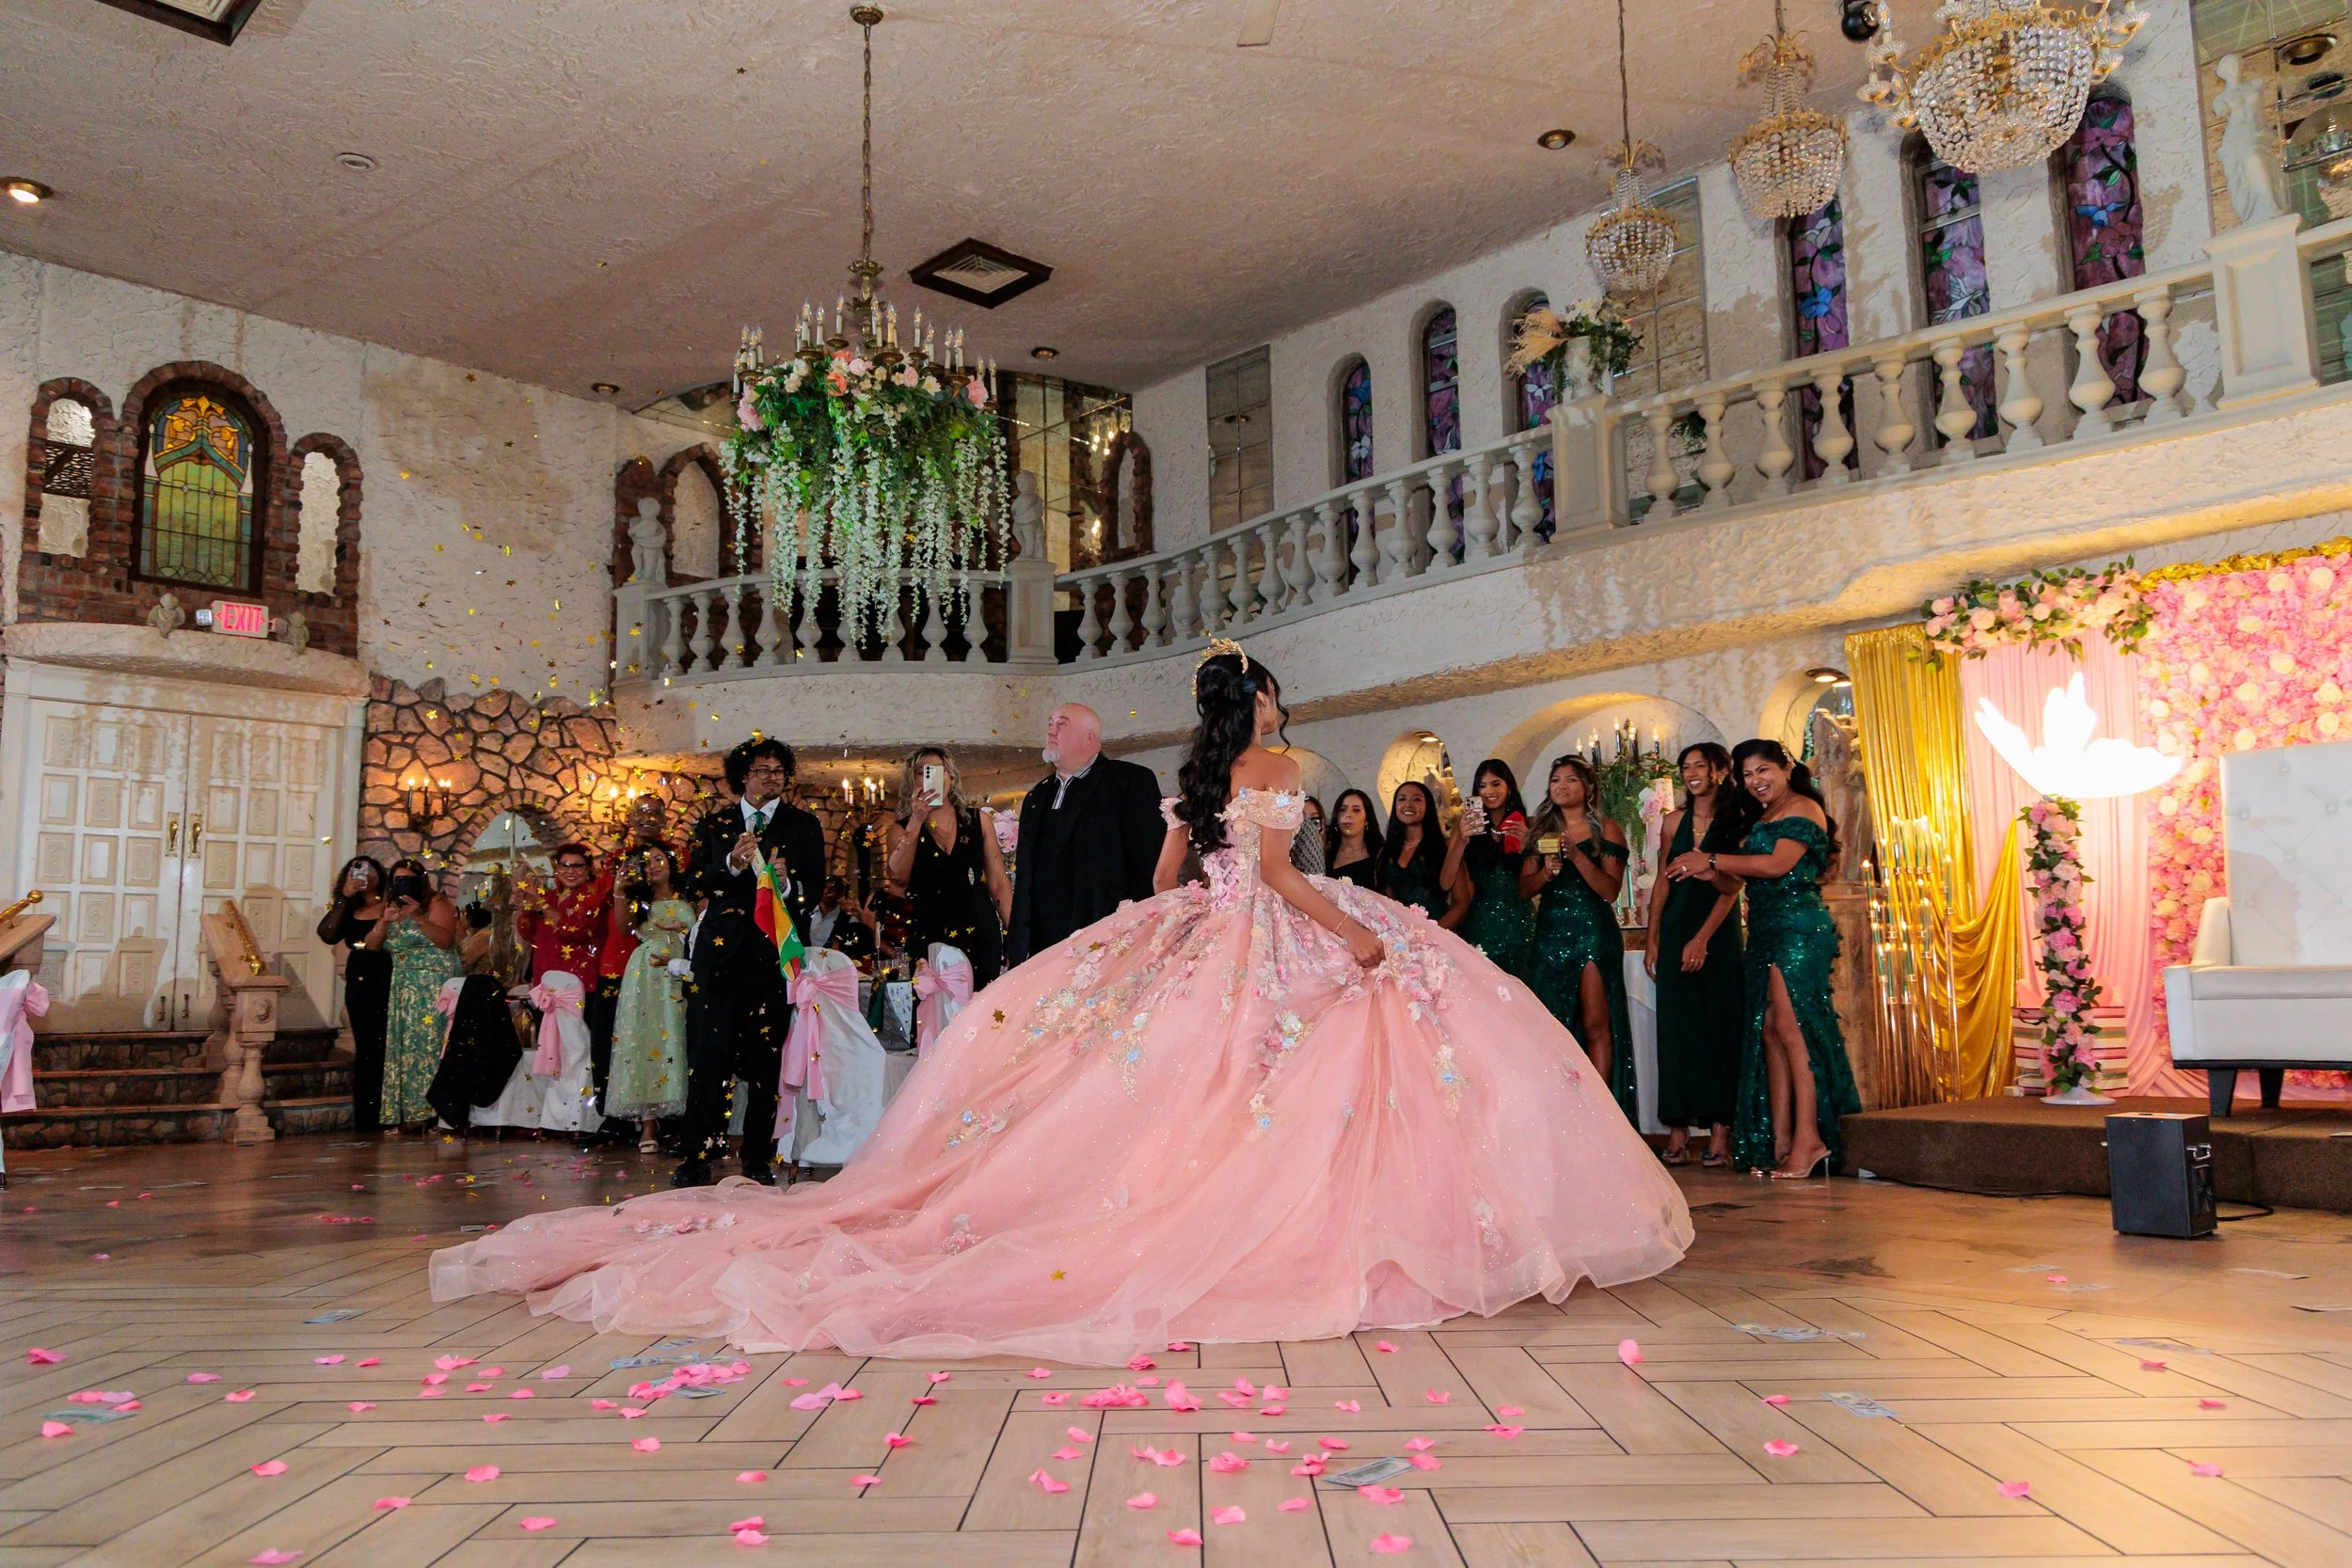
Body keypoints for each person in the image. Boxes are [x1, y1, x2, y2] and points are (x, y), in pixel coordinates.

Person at [432, 641, 1689, 1360]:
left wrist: (1209, 913)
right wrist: (1351, 938)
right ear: (1255, 705)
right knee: (1323, 1074)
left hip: (1207, 931)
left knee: (1196, 1097)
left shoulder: (1199, 774)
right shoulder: (1268, 762)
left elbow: (1170, 876)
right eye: (1270, 693)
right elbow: (1270, 871)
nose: (1276, 708)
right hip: (1278, 925)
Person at [1665, 738, 1858, 1179]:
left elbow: (1776, 865)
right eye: (1748, 775)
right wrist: (1710, 871)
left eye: (1763, 771)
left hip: (1798, 929)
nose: (1755, 782)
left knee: (1793, 1033)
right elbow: (1736, 882)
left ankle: (1810, 1140)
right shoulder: (1762, 815)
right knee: (1769, 1032)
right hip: (1766, 929)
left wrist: (1711, 856)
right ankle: (1782, 1138)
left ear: (1786, 767)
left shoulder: (1804, 807)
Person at [674, 737, 827, 1187]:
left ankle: (757, 1157)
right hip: (720, 957)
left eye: (778, 771)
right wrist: (733, 865)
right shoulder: (715, 824)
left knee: (765, 1060)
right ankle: (697, 1155)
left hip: (772, 955)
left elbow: (814, 887)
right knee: (708, 1057)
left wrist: (789, 883)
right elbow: (692, 881)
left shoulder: (803, 826)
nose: (770, 778)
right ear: (743, 776)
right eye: (761, 770)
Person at [1645, 743, 1744, 1167]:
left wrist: (1702, 939)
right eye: (1685, 768)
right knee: (1676, 1031)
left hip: (1717, 933)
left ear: (1721, 770)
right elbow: (1663, 882)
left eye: (1699, 766)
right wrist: (1653, 937)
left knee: (1719, 1027)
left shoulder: (1737, 819)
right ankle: (1679, 1130)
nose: (1691, 774)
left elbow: (1734, 885)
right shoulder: (1674, 821)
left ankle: (1721, 1130)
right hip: (1675, 927)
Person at [1004, 703, 1165, 964]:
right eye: (1050, 723)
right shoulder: (1037, 795)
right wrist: (1018, 944)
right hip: (1043, 948)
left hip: (1105, 940)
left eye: (1062, 724)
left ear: (1089, 737)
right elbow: (1025, 880)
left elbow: (1148, 864)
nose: (1051, 731)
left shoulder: (1129, 782)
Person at [1520, 755, 1635, 1116]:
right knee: (1552, 1024)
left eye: (1571, 780)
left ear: (1588, 788)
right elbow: (1523, 889)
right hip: (1550, 933)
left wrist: (1578, 857)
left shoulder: (1606, 829)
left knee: (1595, 1021)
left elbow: (1610, 891)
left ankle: (1599, 1112)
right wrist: (1548, 874)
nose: (1562, 786)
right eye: (1556, 780)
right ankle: (1561, 1111)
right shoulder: (1539, 831)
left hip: (1591, 931)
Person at [885, 747, 1011, 986]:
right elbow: (897, 877)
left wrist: (1015, 935)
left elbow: (999, 883)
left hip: (979, 929)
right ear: (912, 781)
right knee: (934, 1015)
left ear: (951, 778)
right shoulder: (901, 829)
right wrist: (916, 820)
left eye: (937, 772)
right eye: (923, 773)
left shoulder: (978, 821)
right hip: (930, 932)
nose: (930, 778)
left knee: (983, 1013)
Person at [605, 846, 693, 1153]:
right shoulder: (641, 901)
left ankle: (687, 1121)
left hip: (683, 967)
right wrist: (619, 891)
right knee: (646, 1039)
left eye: (659, 859)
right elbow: (622, 927)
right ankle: (648, 1124)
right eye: (647, 863)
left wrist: (682, 929)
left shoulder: (691, 893)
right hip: (646, 970)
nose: (653, 866)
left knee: (680, 1037)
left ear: (673, 862)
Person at [363, 857, 458, 1133]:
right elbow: (371, 946)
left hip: (432, 983)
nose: (401, 885)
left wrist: (417, 916)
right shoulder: (390, 906)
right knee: (406, 1049)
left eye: (408, 880)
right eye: (396, 880)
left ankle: (435, 1112)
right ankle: (410, 1112)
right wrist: (383, 921)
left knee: (429, 1046)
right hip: (403, 985)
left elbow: (444, 940)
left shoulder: (436, 903)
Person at [316, 857, 390, 1134]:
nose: (364, 875)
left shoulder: (391, 905)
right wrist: (345, 897)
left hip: (391, 977)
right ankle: (368, 1117)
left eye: (370, 869)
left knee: (388, 1047)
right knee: (367, 1049)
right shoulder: (349, 909)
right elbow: (327, 934)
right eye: (356, 871)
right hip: (361, 983)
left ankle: (393, 1112)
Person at [1441, 758, 1534, 976]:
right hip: (1481, 923)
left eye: (1495, 784)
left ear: (1508, 787)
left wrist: (1527, 845)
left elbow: (1534, 880)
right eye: (1482, 786)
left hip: (1521, 923)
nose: (1488, 791)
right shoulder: (1465, 828)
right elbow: (1445, 882)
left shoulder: (1525, 826)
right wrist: (1462, 841)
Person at [1374, 780, 1450, 919]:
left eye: (1416, 799)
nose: (1408, 805)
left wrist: (1434, 933)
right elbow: (1387, 902)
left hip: (1441, 931)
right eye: (1402, 799)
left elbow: (1462, 902)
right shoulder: (1385, 852)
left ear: (1428, 805)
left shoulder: (1444, 847)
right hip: (1402, 934)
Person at [1325, 787, 1383, 890]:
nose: (1348, 815)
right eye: (1343, 810)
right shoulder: (1326, 853)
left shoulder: (1380, 854)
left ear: (1367, 820)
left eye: (1356, 810)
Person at [810, 877, 877, 964]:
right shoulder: (804, 915)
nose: (827, 891)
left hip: (835, 970)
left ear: (840, 893)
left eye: (833, 889)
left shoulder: (849, 920)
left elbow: (862, 946)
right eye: (825, 887)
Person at [1291, 794, 1327, 874]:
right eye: (1302, 819)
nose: (1309, 829)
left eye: (1315, 821)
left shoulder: (1333, 857)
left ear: (1323, 825)